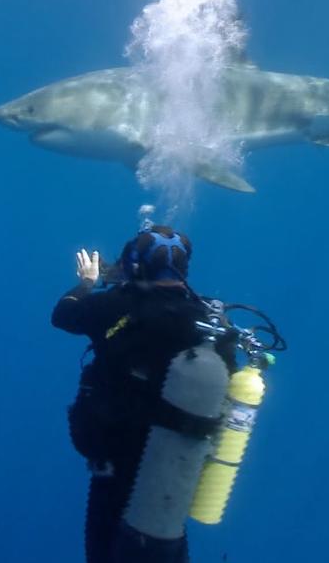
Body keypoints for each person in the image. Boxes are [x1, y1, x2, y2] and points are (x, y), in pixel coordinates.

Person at [52, 226, 236, 563]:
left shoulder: (113, 307)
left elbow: (63, 314)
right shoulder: (212, 324)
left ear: (135, 266)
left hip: (116, 468)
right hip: (176, 468)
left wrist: (88, 282)